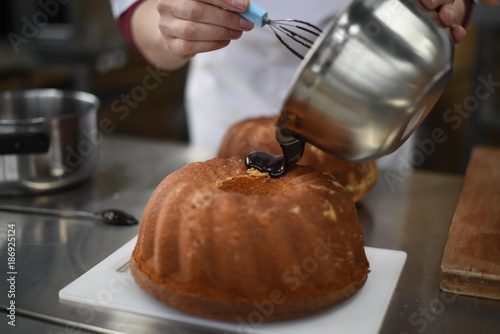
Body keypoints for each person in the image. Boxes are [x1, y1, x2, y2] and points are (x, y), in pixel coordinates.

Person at [108, 0, 474, 160]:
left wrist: (447, 7)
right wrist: (174, 26)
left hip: (381, 88)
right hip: (231, 97)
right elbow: (139, 12)